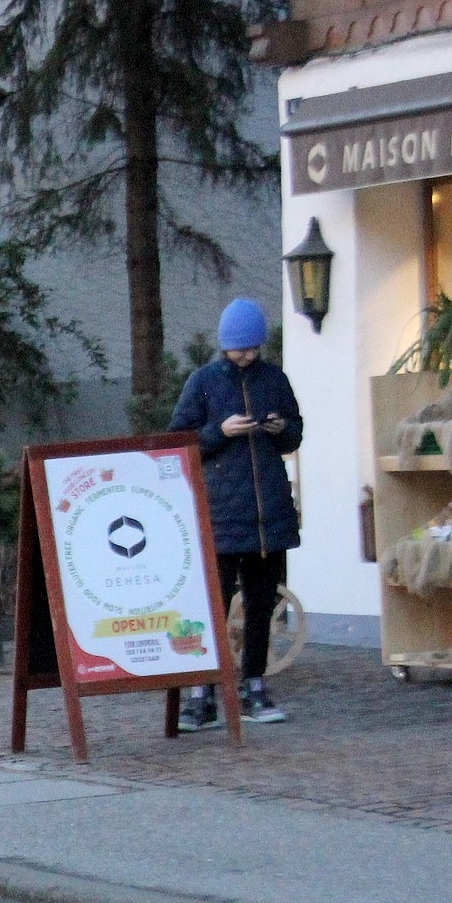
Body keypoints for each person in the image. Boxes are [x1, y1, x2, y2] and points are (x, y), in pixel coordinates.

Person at [168, 299, 302, 726]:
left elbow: (294, 432)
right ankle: (202, 693)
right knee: (214, 604)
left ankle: (254, 686)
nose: (244, 355)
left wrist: (283, 429)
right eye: (237, 348)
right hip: (221, 513)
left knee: (261, 604)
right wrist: (219, 432)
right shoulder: (203, 382)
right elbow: (179, 440)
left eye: (251, 347)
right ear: (224, 346)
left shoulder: (274, 379)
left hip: (269, 515)